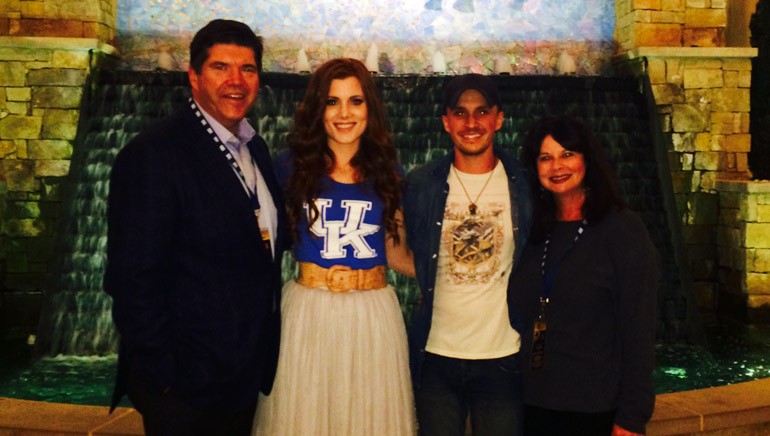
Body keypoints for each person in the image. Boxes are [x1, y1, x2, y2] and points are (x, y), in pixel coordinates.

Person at [104, 19, 285, 436]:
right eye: (221, 67)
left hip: (242, 373)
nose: (236, 81)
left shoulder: (254, 146)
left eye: (248, 69)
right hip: (186, 388)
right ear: (194, 76)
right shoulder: (153, 155)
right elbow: (132, 279)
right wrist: (163, 379)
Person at [252, 58, 416, 435]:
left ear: (369, 108)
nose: (344, 113)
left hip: (372, 313)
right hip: (309, 310)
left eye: (355, 101)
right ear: (317, 109)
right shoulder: (289, 167)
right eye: (332, 102)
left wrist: (456, 281)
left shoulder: (390, 172)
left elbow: (396, 254)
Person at [509, 114, 658, 435]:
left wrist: (633, 415)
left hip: (595, 408)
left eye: (567, 154)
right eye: (545, 158)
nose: (557, 166)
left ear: (587, 160)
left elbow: (639, 328)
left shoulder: (621, 229)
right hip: (534, 404)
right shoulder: (534, 233)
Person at [403, 73, 532, 436]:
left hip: (502, 356)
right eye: (460, 113)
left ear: (498, 118)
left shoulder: (523, 184)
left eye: (481, 112)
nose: (471, 123)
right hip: (436, 354)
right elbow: (400, 249)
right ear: (446, 122)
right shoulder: (421, 184)